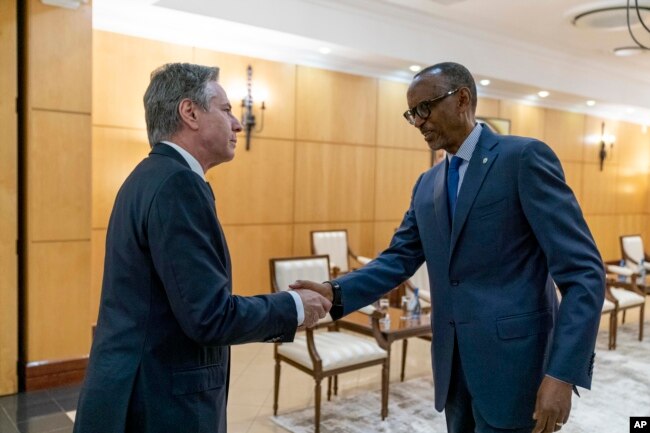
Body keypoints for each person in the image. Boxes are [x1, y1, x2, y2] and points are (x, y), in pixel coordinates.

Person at [291, 62, 605, 433]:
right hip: (453, 369)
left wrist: (563, 373)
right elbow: (398, 259)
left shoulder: (523, 159)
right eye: (412, 114)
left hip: (517, 370)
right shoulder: (427, 184)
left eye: (425, 108)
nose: (419, 121)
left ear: (462, 99)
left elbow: (584, 273)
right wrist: (333, 291)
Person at [73, 63, 331, 433]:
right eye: (226, 110)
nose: (238, 124)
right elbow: (209, 317)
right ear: (190, 113)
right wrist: (293, 306)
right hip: (159, 401)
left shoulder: (148, 176)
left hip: (134, 389)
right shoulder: (179, 185)